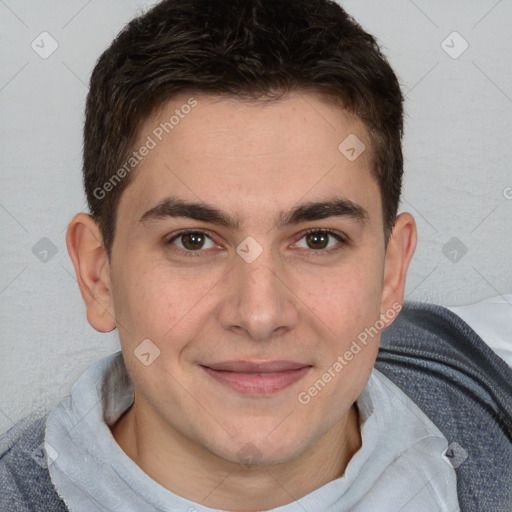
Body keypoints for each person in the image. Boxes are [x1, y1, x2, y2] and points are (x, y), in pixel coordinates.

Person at [1, 0, 511, 511]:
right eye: (193, 241)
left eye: (318, 240)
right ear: (99, 275)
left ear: (391, 272)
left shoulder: (482, 393)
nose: (260, 315)